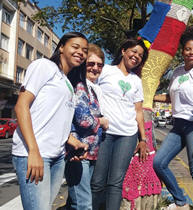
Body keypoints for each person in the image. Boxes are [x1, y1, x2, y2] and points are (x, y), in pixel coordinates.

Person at [12, 32, 89, 210]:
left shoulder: (67, 83)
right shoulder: (44, 66)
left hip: (57, 157)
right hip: (34, 154)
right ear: (61, 47)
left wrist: (72, 141)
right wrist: (33, 151)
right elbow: (21, 106)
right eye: (75, 47)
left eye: (84, 50)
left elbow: (55, 119)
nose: (81, 53)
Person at [153, 28, 193, 210]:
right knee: (159, 163)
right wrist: (150, 96)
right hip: (178, 125)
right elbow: (171, 97)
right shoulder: (177, 72)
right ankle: (181, 200)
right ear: (183, 51)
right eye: (188, 49)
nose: (191, 52)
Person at [91, 38, 149, 210]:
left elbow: (138, 111)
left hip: (127, 135)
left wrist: (143, 139)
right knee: (97, 181)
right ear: (123, 51)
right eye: (133, 51)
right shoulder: (106, 70)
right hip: (105, 133)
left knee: (115, 183)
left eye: (140, 55)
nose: (136, 56)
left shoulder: (136, 81)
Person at [65, 44, 109, 210]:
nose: (95, 68)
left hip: (89, 153)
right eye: (91, 64)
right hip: (78, 152)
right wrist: (102, 122)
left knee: (76, 200)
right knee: (83, 203)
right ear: (83, 64)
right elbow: (83, 119)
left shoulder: (93, 88)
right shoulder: (80, 86)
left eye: (99, 65)